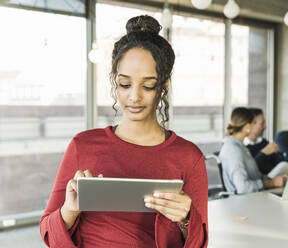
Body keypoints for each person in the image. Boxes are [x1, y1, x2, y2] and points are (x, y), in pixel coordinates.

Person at [39, 15, 208, 248]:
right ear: (114, 82)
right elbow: (48, 230)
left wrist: (185, 219)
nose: (134, 97)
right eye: (125, 84)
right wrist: (70, 209)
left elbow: (199, 242)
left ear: (164, 85)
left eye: (148, 85)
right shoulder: (83, 145)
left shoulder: (189, 157)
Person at [218, 107, 288, 195]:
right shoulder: (233, 150)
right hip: (246, 202)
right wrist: (272, 183)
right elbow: (243, 188)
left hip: (255, 196)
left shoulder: (241, 147)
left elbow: (255, 177)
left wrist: (277, 180)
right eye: (254, 123)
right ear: (247, 127)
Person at [243, 108, 285, 175]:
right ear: (250, 125)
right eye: (262, 124)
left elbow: (279, 164)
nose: (265, 127)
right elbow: (249, 172)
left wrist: (279, 154)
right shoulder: (242, 147)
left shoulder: (264, 143)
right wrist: (263, 154)